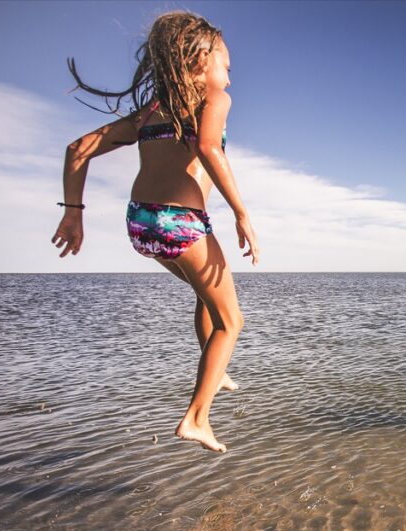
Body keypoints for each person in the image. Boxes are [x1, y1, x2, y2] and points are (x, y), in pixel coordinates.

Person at [51, 11, 258, 452]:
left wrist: (73, 212)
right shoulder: (215, 99)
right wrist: (242, 213)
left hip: (141, 223)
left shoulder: (151, 112)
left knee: (208, 297)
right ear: (200, 62)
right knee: (232, 321)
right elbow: (206, 147)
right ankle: (197, 418)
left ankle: (215, 373)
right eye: (226, 66)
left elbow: (77, 149)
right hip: (180, 221)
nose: (229, 78)